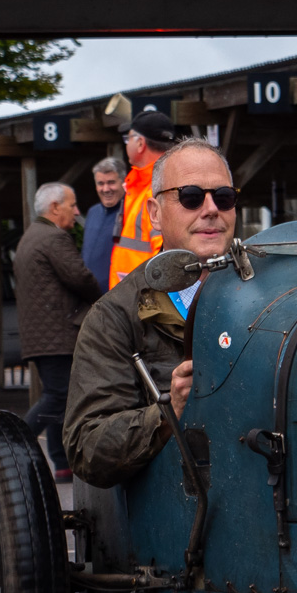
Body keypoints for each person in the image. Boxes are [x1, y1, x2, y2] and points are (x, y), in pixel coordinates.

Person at [66, 137, 236, 486]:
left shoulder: (272, 293)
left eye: (223, 197)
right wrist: (166, 412)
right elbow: (87, 446)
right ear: (154, 215)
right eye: (190, 197)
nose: (210, 209)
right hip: (182, 509)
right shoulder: (114, 316)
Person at [15, 181, 102, 481]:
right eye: (71, 205)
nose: (76, 211)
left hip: (41, 335)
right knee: (59, 395)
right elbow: (80, 277)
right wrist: (102, 302)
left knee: (58, 397)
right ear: (54, 208)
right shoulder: (54, 238)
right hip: (59, 334)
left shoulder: (30, 237)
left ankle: (62, 464)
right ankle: (11, 443)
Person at [107, 110, 177, 288]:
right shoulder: (146, 187)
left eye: (128, 138)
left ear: (140, 144)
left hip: (142, 307)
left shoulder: (154, 191)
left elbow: (164, 263)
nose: (126, 143)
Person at [82, 157, 125, 290]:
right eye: (100, 183)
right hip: (91, 296)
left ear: (123, 182)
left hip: (118, 295)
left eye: (111, 182)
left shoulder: (132, 212)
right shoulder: (92, 212)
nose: (106, 189)